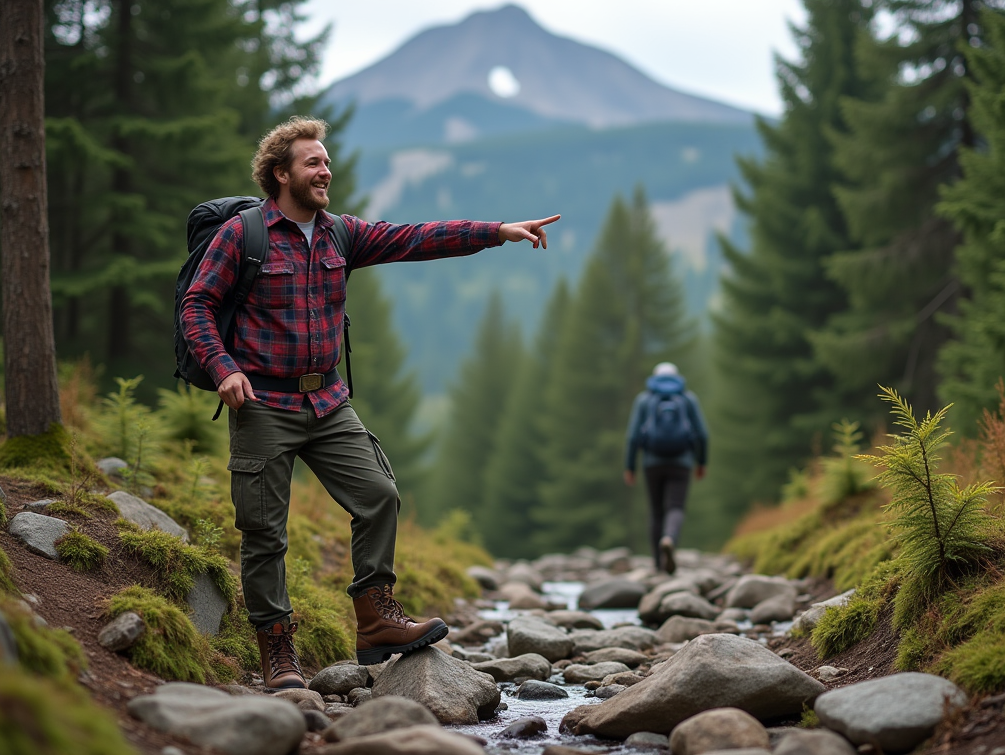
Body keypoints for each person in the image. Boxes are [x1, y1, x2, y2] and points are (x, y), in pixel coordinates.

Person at [181, 116, 559, 688]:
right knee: (264, 534)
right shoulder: (244, 235)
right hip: (262, 404)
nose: (325, 171)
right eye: (313, 162)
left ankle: (377, 620)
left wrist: (497, 231)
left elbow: (417, 238)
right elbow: (197, 305)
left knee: (379, 495)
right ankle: (277, 652)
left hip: (328, 401)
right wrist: (223, 368)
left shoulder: (340, 234)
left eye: (327, 161)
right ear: (280, 173)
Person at [623, 362, 708, 574]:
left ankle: (657, 564)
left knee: (656, 511)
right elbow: (702, 434)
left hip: (652, 462)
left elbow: (633, 436)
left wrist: (630, 466)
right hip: (682, 462)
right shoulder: (688, 398)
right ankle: (669, 538)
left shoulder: (644, 399)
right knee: (675, 507)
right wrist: (701, 462)